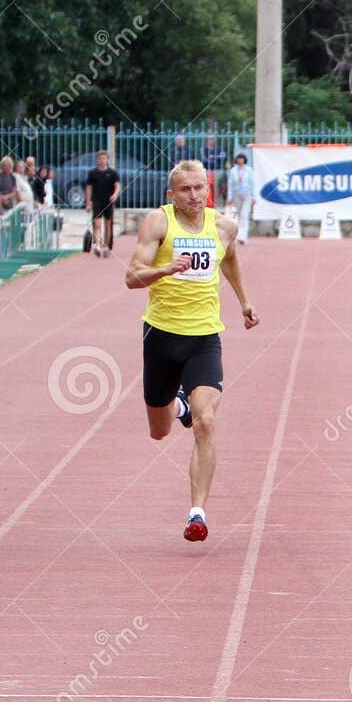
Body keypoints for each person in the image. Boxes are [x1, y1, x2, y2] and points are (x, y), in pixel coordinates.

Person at [125, 160, 259, 543]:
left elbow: (229, 258)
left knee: (207, 422)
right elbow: (132, 276)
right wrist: (166, 269)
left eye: (200, 187)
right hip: (161, 337)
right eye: (185, 189)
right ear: (172, 194)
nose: (195, 195)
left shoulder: (224, 226)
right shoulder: (158, 223)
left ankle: (197, 512)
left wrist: (244, 301)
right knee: (159, 430)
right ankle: (177, 406)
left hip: (204, 338)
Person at [83, 149, 121, 256]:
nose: (102, 160)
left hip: (108, 201)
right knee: (97, 224)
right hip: (97, 201)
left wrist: (115, 195)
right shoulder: (92, 173)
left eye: (104, 158)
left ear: (107, 160)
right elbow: (89, 188)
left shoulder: (112, 173)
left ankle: (107, 245)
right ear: (97, 160)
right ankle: (98, 245)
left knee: (108, 224)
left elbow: (117, 185)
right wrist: (88, 202)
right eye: (99, 158)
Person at [226, 152, 253, 243]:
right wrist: (229, 197)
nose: (240, 160)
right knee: (239, 215)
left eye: (242, 158)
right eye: (239, 158)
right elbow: (230, 184)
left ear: (244, 159)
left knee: (244, 215)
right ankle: (239, 234)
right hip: (236, 195)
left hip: (247, 195)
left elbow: (253, 184)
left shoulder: (249, 170)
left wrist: (254, 197)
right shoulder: (233, 170)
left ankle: (243, 236)